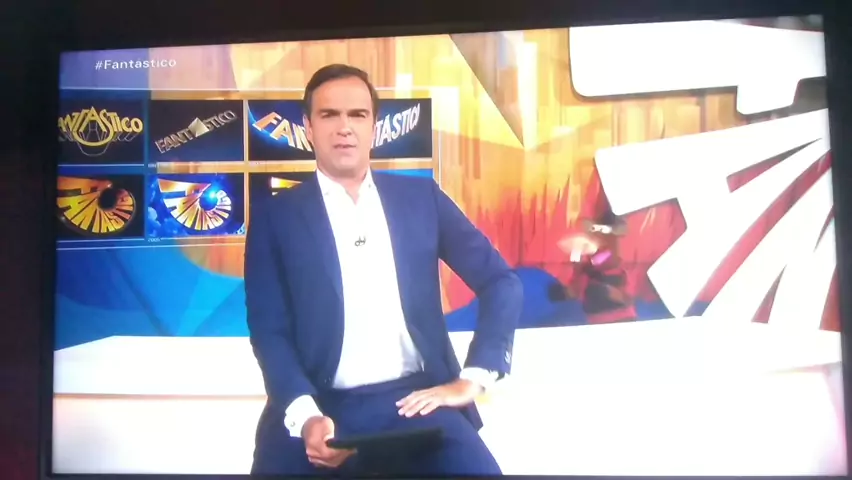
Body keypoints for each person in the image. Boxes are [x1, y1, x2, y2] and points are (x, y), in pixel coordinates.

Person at [244, 63, 523, 476]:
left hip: (415, 401)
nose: (344, 128)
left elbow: (501, 282)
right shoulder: (275, 217)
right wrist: (306, 416)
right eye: (329, 115)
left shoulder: (421, 199)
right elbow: (270, 332)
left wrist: (473, 378)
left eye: (357, 115)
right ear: (308, 127)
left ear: (374, 127)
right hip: (319, 404)